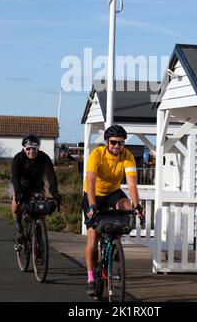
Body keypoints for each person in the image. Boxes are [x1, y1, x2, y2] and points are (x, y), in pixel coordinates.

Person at [82, 124, 144, 298]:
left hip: (112, 193)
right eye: (114, 142)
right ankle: (91, 278)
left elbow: (131, 183)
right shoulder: (97, 154)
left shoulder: (127, 156)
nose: (117, 146)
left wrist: (137, 205)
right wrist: (93, 206)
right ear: (107, 142)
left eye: (121, 143)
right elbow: (91, 181)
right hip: (93, 194)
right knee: (93, 235)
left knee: (126, 207)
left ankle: (115, 241)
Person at [11, 134, 62, 239]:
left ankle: (40, 235)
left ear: (38, 148)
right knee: (16, 203)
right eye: (28, 148)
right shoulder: (18, 158)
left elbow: (51, 176)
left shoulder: (43, 158)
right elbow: (15, 177)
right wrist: (18, 192)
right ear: (24, 148)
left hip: (37, 186)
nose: (31, 151)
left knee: (41, 209)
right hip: (20, 185)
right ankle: (18, 224)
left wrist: (55, 192)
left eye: (34, 148)